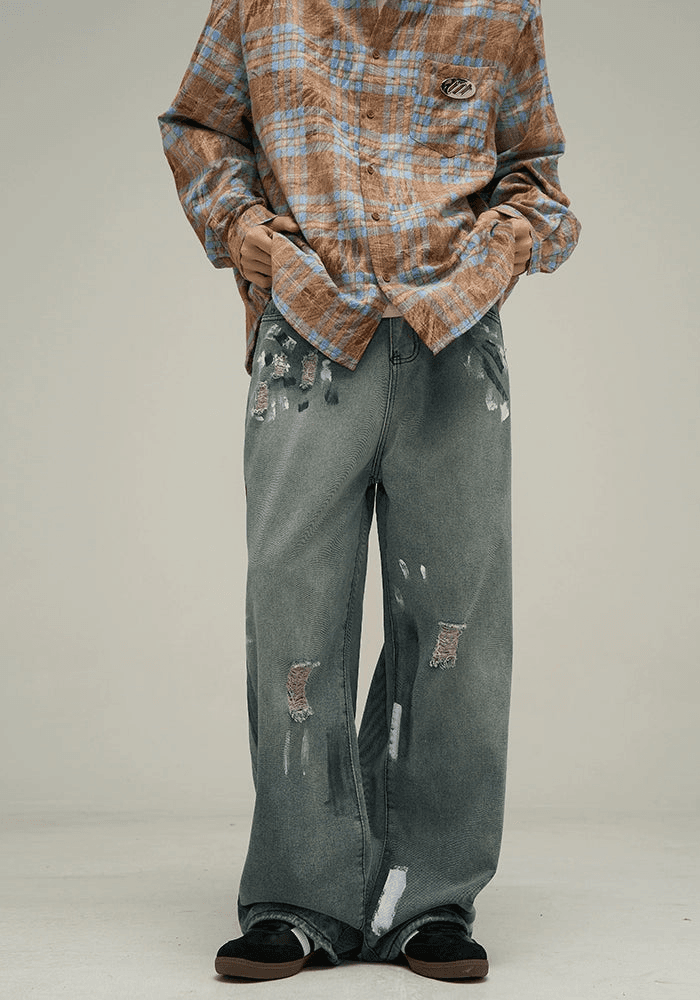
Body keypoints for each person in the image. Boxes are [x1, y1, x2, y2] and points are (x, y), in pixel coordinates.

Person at [157, 0, 580, 982]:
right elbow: (198, 126)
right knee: (293, 615)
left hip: (454, 343)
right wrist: (241, 228)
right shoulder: (260, 5)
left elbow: (536, 174)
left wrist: (502, 246)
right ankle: (299, 899)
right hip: (307, 337)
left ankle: (429, 902)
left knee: (456, 630)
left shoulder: (498, 12)